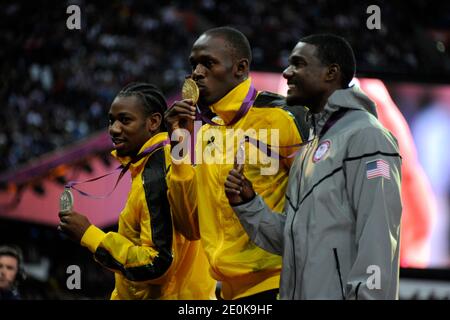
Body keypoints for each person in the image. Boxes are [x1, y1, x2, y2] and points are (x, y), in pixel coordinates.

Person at [225, 34, 402, 299]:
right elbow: (294, 240)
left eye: (298, 64)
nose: (287, 73)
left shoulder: (367, 137)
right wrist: (249, 204)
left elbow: (378, 237)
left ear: (331, 72)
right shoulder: (309, 148)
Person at [165, 26, 309, 300]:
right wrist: (180, 146)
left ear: (240, 68)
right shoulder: (207, 131)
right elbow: (190, 227)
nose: (196, 72)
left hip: (278, 287)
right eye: (193, 64)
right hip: (227, 293)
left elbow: (317, 207)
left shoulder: (283, 118)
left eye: (208, 63)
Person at [58, 82, 216, 300]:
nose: (114, 129)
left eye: (125, 120)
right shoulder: (156, 166)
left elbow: (157, 263)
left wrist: (90, 235)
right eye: (111, 120)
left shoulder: (156, 176)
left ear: (153, 122)